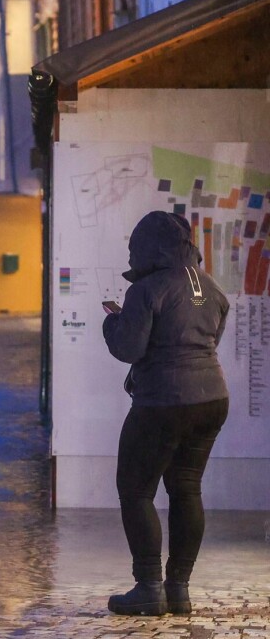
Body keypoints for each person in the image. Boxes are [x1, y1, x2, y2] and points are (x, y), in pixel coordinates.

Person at [102, 211, 229, 616]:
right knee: (186, 488)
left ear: (147, 248)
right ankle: (178, 589)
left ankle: (148, 588)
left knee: (136, 489)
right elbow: (208, 341)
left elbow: (129, 348)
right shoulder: (211, 289)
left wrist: (113, 323)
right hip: (211, 399)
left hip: (163, 402)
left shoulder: (147, 288)